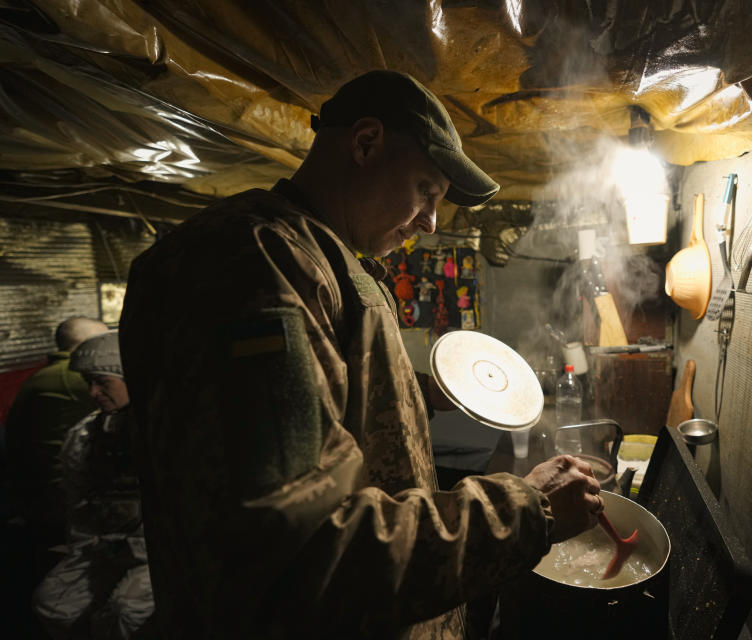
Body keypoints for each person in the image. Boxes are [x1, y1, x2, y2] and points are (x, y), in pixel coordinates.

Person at [118, 70, 603, 638]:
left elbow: (318, 409)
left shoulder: (319, 254)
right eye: (427, 191)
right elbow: (307, 554)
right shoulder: (256, 262)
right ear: (366, 143)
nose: (430, 222)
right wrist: (528, 509)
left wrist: (415, 392)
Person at [32, 331, 154, 639]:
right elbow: (78, 502)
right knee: (52, 605)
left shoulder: (165, 432)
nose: (93, 392)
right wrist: (88, 548)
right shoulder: (84, 436)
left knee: (125, 610)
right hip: (103, 545)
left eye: (102, 382)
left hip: (157, 551)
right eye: (88, 383)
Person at [5, 317, 108, 577]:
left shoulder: (51, 373)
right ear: (87, 346)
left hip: (30, 497)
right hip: (55, 506)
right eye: (105, 342)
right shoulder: (75, 376)